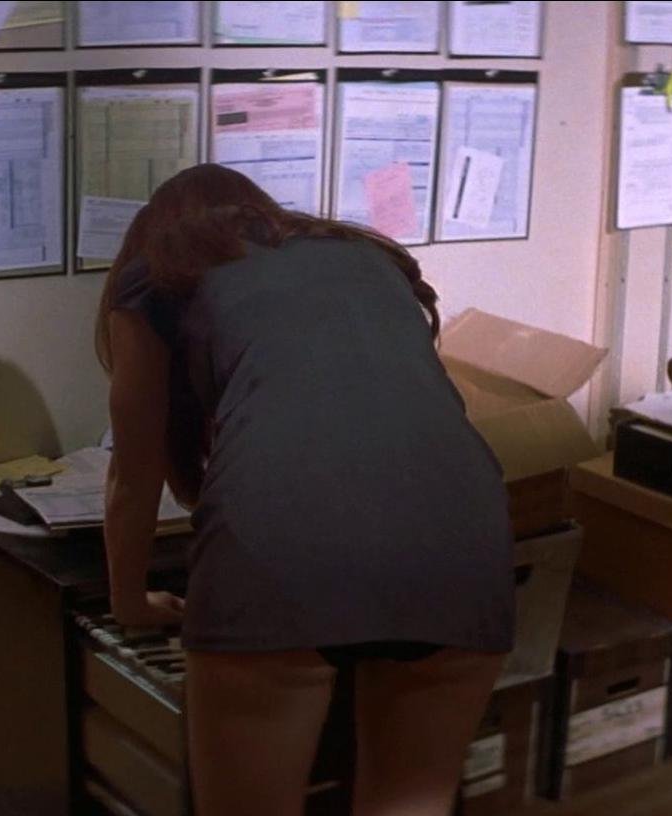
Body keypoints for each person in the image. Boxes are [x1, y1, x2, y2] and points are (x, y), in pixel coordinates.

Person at [95, 164, 514, 816]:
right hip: (463, 532)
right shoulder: (364, 256)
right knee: (414, 800)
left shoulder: (156, 276)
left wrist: (129, 601)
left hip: (279, 540)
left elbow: (134, 474)